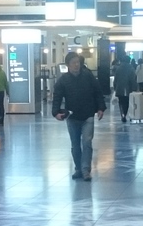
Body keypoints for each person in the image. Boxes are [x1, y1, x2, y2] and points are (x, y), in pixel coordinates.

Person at [52, 51, 106, 181]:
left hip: (88, 115)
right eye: (73, 63)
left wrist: (100, 108)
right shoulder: (63, 80)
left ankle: (85, 170)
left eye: (78, 62)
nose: (76, 65)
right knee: (75, 144)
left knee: (87, 142)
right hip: (72, 116)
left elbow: (98, 92)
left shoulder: (88, 76)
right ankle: (78, 168)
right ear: (68, 65)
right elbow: (57, 97)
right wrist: (56, 112)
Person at [112, 56, 137, 122]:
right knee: (127, 102)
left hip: (119, 88)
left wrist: (115, 87)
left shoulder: (118, 68)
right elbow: (133, 79)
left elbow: (115, 79)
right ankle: (124, 114)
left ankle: (122, 114)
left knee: (121, 102)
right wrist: (135, 88)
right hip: (128, 88)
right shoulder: (131, 68)